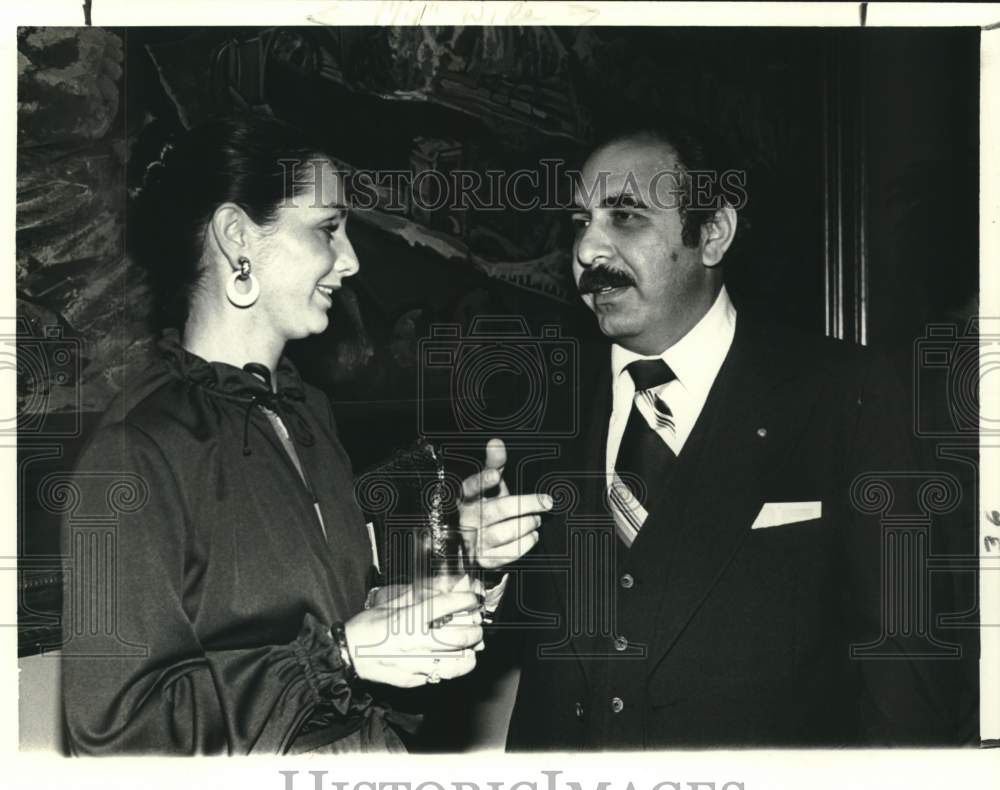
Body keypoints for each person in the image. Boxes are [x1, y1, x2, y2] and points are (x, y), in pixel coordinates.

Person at [460, 122, 966, 749]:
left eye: (625, 217)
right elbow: (484, 662)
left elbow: (909, 671)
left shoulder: (844, 395)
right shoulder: (533, 406)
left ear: (713, 234)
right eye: (579, 221)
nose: (588, 248)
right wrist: (484, 575)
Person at [59, 115, 484, 755]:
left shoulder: (306, 414)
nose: (352, 260)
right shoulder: (134, 451)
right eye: (327, 228)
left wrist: (451, 567)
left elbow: (329, 616)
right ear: (238, 237)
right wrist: (337, 656)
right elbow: (116, 731)